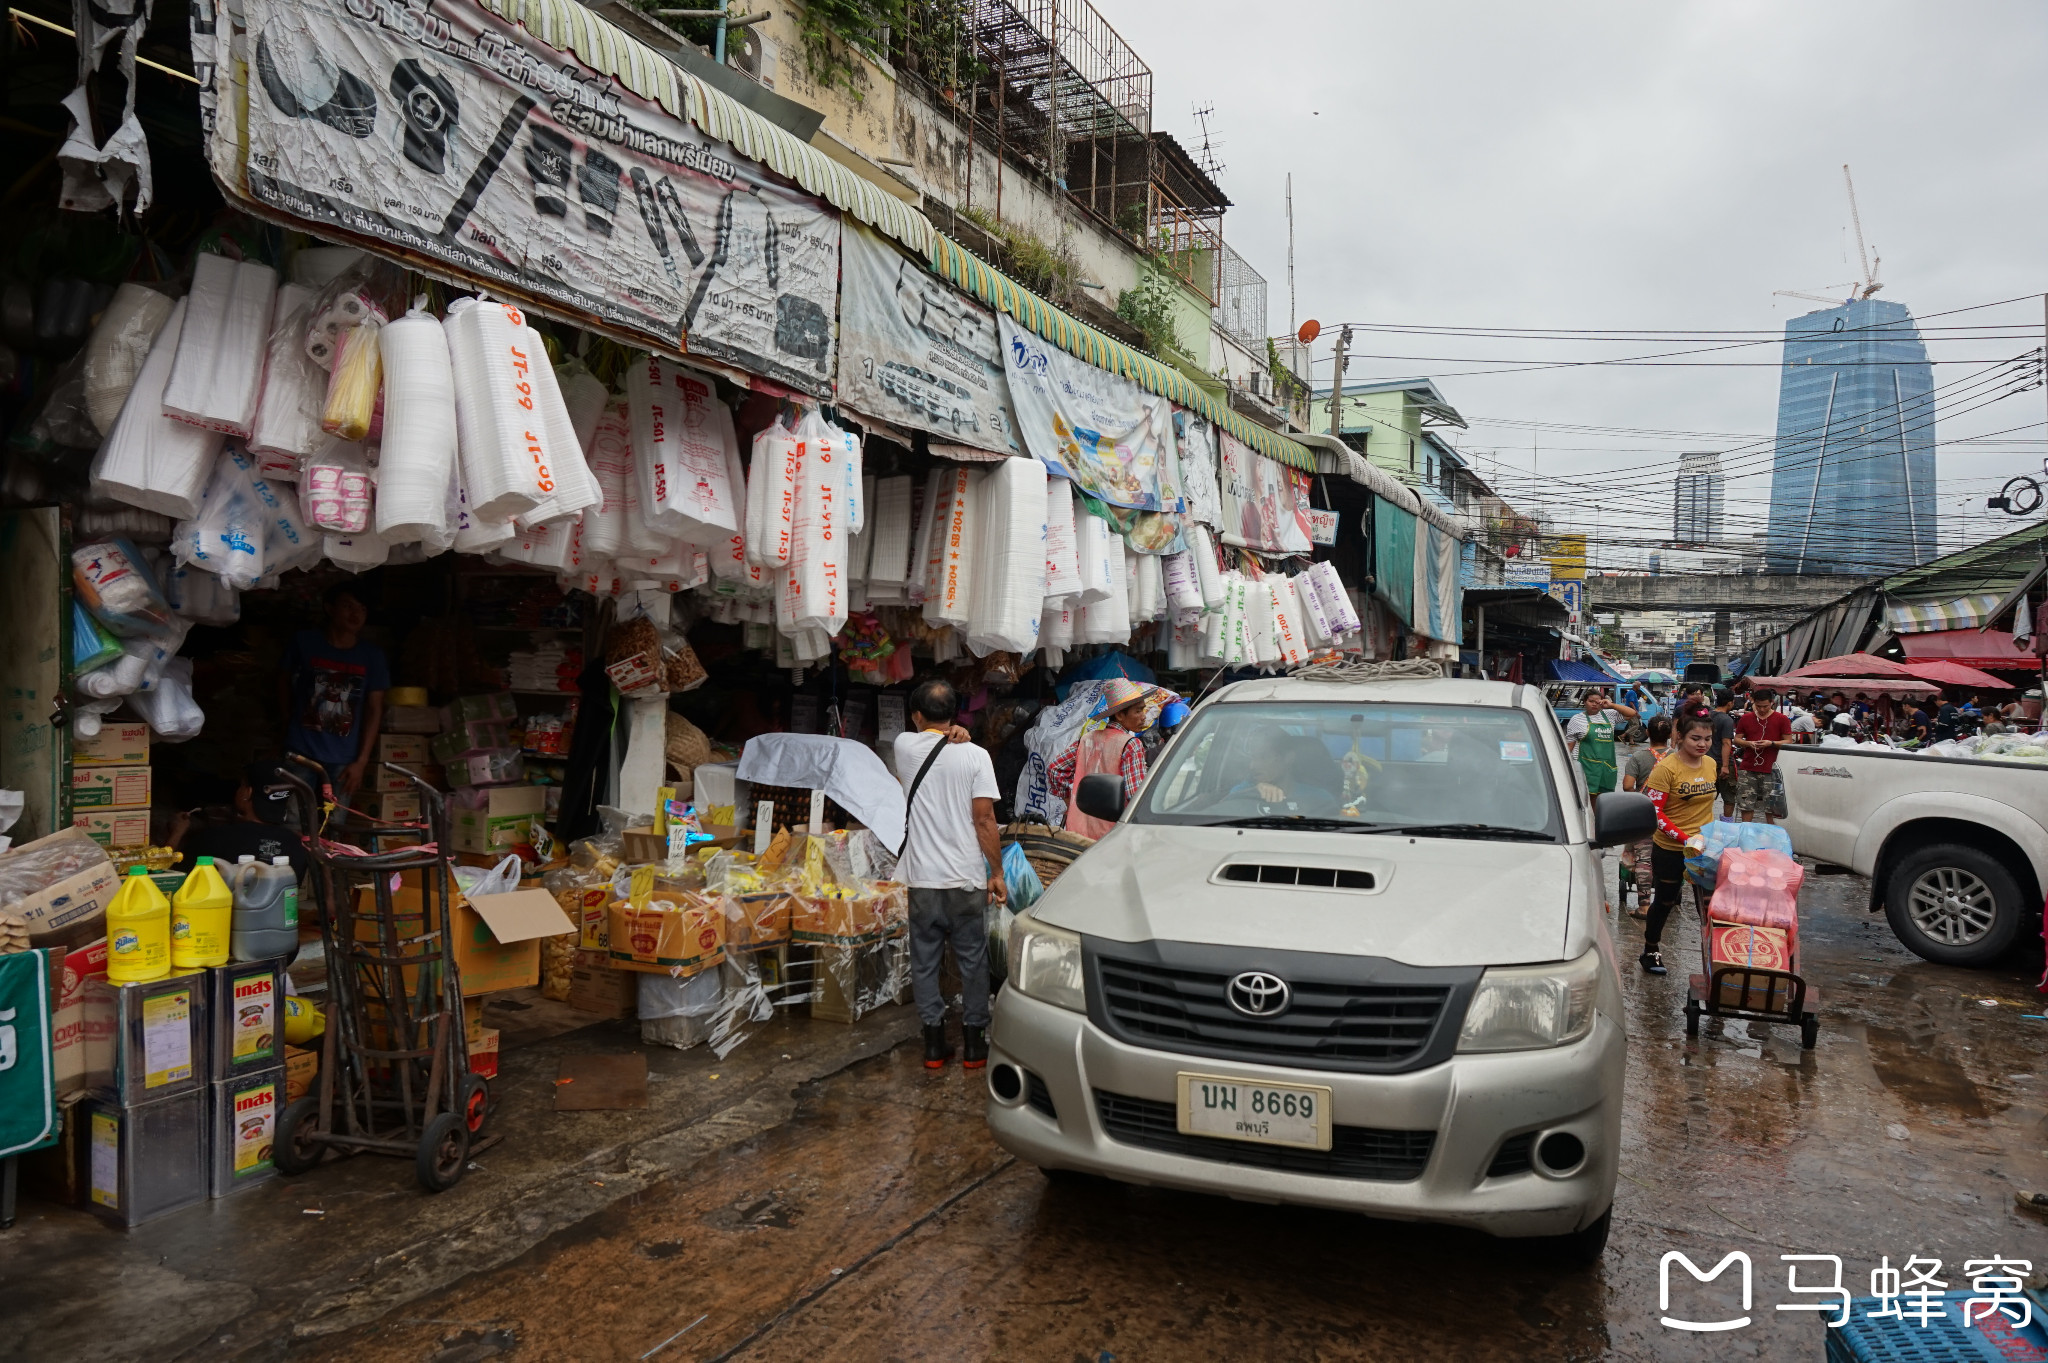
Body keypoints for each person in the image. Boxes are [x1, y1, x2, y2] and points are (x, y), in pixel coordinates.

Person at [894, 678, 1005, 1071]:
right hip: (965, 879)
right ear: (955, 715)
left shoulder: (903, 747)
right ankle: (975, 1047)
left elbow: (928, 739)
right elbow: (984, 819)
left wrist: (954, 732)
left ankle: (934, 1047)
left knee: (924, 961)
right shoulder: (976, 757)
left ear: (916, 716)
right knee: (972, 960)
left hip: (922, 879)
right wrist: (997, 872)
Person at [281, 584, 390, 818]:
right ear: (329, 609)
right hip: (301, 751)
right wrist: (285, 721)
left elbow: (374, 709)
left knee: (335, 826)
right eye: (347, 606)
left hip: (344, 759)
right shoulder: (305, 643)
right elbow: (282, 682)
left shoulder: (372, 656)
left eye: (361, 608)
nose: (355, 614)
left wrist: (361, 762)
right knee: (293, 821)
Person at [1639, 710, 1721, 976]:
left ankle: (1718, 962)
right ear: (1679, 737)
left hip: (1704, 849)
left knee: (1710, 906)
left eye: (1707, 739)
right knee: (1665, 901)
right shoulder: (1666, 768)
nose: (1702, 744)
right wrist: (1684, 838)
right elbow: (1653, 811)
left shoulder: (1710, 764)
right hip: (1671, 849)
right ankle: (1650, 950)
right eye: (1695, 738)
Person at [1045, 678, 1169, 840]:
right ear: (1120, 715)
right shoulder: (1131, 745)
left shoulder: (1087, 739)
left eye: (1143, 710)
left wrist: (1070, 801)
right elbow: (1135, 796)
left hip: (1077, 831)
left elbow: (1055, 769)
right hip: (1111, 835)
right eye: (1138, 711)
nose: (1144, 717)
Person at [173, 760, 312, 879]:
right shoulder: (298, 845)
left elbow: (172, 878)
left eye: (241, 785)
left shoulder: (214, 838)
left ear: (247, 792)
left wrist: (176, 833)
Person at [1619, 715, 1672, 916]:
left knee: (1644, 859)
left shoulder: (1638, 757)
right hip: (1671, 816)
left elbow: (1627, 786)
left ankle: (1644, 906)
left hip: (1645, 815)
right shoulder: (1677, 757)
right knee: (1669, 857)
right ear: (1670, 735)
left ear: (1648, 733)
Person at [1564, 689, 1638, 806]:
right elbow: (1569, 746)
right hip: (1586, 767)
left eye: (1597, 702)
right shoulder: (1576, 719)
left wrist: (1611, 705)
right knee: (1587, 800)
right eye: (1591, 701)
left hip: (1606, 768)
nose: (1594, 704)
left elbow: (1632, 713)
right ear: (1584, 702)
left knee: (1604, 800)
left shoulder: (1609, 715)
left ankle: (1600, 823)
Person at [1731, 688, 1792, 824]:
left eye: (1765, 706)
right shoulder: (1746, 718)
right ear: (1754, 703)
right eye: (1758, 706)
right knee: (1746, 803)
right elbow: (1737, 739)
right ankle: (1746, 831)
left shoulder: (1782, 719)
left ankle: (1771, 834)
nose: (1762, 710)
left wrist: (1771, 743)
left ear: (1772, 703)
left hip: (1771, 768)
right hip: (1748, 767)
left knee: (1771, 807)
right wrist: (1748, 743)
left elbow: (1788, 741)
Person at [1709, 688, 1739, 818]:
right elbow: (1726, 743)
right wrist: (1725, 766)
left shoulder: (1707, 715)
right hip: (1721, 762)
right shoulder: (1726, 720)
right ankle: (1726, 824)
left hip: (1706, 762)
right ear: (1730, 703)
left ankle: (1704, 821)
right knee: (1729, 797)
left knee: (1706, 796)